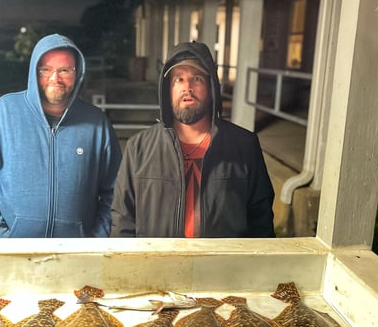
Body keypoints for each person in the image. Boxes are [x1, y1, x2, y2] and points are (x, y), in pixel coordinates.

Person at [0, 33, 122, 237]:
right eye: (46, 70)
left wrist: (95, 239)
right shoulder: (3, 113)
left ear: (77, 73)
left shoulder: (96, 123)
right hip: (13, 256)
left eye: (64, 70)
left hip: (77, 256)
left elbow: (116, 191)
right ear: (34, 72)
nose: (55, 78)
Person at [111, 41, 275, 238]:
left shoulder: (244, 145)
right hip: (158, 265)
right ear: (167, 90)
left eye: (196, 78)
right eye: (178, 79)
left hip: (223, 266)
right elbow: (123, 221)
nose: (187, 87)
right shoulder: (139, 148)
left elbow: (261, 221)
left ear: (211, 86)